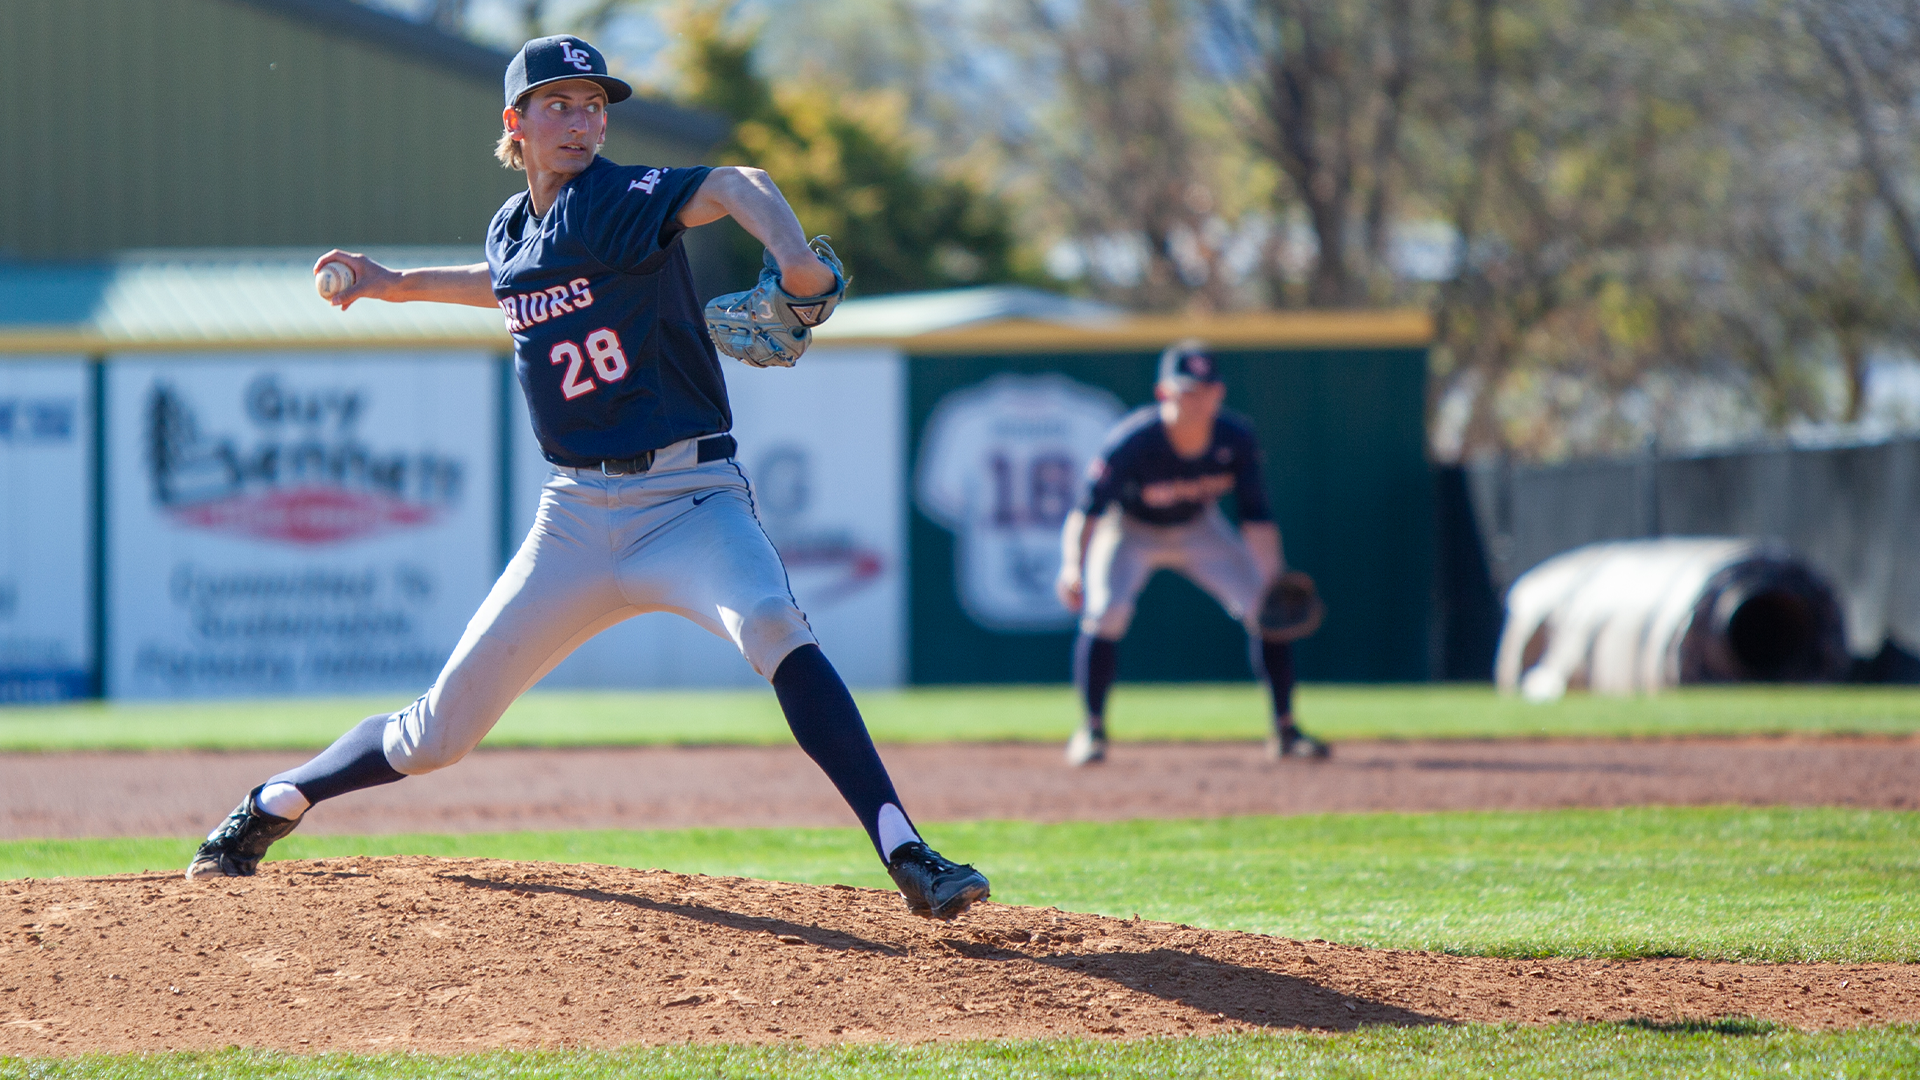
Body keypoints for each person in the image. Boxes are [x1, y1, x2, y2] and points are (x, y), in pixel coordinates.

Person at [184, 35, 989, 922]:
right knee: (435, 735)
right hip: (572, 517)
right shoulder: (513, 224)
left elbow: (736, 184)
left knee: (772, 623)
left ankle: (908, 852)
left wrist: (795, 260)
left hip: (690, 502)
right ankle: (272, 803)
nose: (582, 120)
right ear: (515, 123)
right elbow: (508, 281)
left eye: (595, 104)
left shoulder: (615, 197)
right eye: (559, 103)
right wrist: (391, 283)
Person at [1054, 342, 1331, 766]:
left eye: (1207, 390)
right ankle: (1090, 731)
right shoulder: (1133, 440)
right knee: (1105, 612)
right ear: (1164, 393)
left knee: (1265, 608)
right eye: (1187, 391)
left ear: (1219, 394)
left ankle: (1286, 731)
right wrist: (1073, 567)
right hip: (1130, 529)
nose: (1198, 400)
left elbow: (1255, 515)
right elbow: (1086, 511)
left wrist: (1271, 574)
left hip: (1199, 527)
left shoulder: (1235, 437)